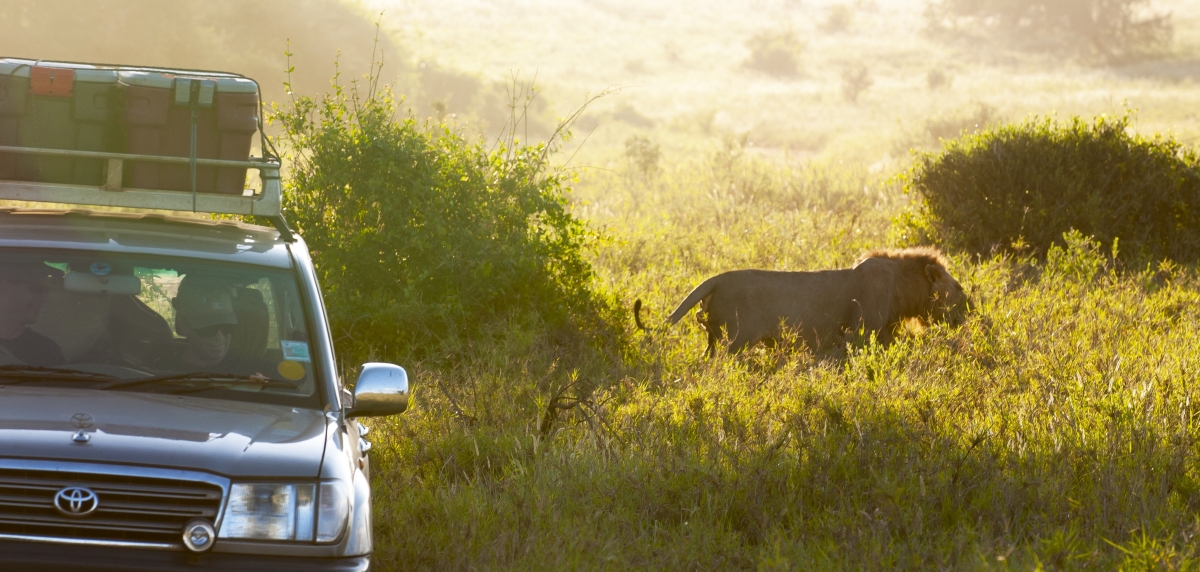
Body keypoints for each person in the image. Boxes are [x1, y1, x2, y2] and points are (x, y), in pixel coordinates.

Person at [0, 260, 65, 366]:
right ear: (4, 287)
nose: (43, 300)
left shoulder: (46, 350)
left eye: (46, 291)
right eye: (36, 289)